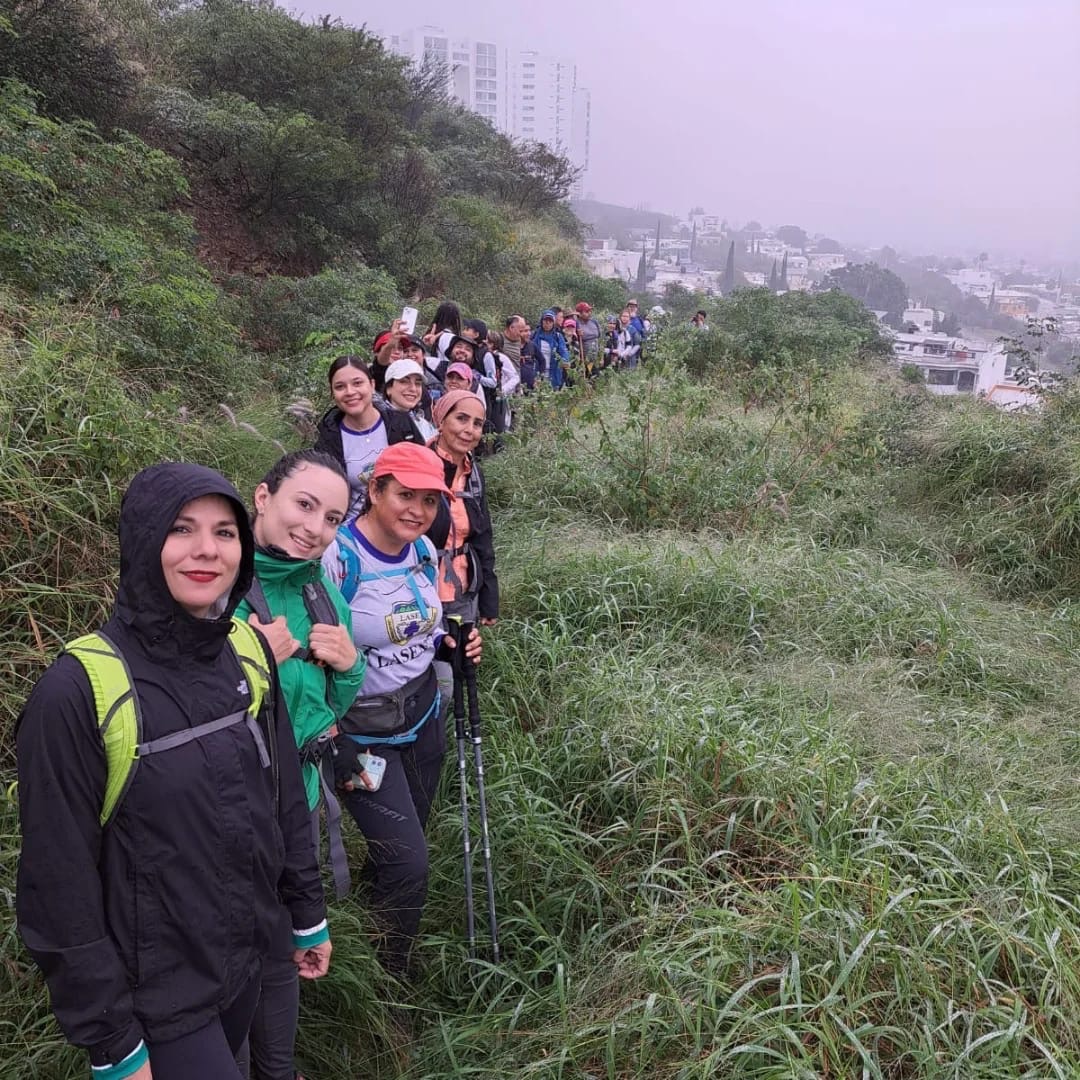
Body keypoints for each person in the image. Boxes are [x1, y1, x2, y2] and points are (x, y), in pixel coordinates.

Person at [16, 462, 330, 1080]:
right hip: (155, 996)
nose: (206, 551)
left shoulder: (246, 650)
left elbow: (281, 794)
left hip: (243, 957)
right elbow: (58, 881)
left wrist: (305, 913)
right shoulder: (79, 691)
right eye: (181, 530)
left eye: (224, 532)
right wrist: (111, 1041)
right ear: (141, 539)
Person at [321, 443, 483, 978]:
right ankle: (392, 972)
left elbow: (421, 623)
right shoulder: (337, 559)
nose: (418, 510)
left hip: (421, 717)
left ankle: (371, 916)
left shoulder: (419, 550)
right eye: (405, 496)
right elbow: (309, 655)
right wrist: (331, 735)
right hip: (362, 735)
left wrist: (448, 645)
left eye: (430, 501)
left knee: (402, 843)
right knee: (411, 862)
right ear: (374, 491)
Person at [234, 451, 367, 1080]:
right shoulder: (219, 583)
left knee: (285, 936)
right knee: (236, 948)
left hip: (303, 796)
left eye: (333, 517)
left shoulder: (318, 586)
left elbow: (328, 708)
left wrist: (349, 666)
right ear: (263, 498)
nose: (316, 527)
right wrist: (251, 662)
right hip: (233, 809)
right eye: (304, 505)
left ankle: (277, 1068)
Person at [315, 355, 425, 517]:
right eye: (340, 387)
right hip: (350, 532)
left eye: (358, 383)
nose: (350, 392)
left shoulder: (401, 425)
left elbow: (424, 473)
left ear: (372, 385)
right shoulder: (329, 438)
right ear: (333, 394)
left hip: (401, 523)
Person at [427, 390, 499, 626]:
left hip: (464, 590)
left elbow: (483, 537)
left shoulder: (473, 474)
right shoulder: (419, 467)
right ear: (441, 420)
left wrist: (489, 596)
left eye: (477, 424)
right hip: (422, 591)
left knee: (464, 660)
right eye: (461, 418)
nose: (469, 429)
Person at [383, 358, 437, 442]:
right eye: (404, 382)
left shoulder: (424, 425)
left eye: (418, 383)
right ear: (388, 389)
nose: (413, 389)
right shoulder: (377, 421)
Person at [531, 309, 569, 388]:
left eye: (550, 321)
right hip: (537, 372)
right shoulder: (534, 335)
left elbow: (563, 351)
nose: (547, 323)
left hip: (554, 372)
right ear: (542, 321)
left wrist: (565, 361)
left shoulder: (558, 337)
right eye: (545, 320)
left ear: (553, 323)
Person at [574, 302, 602, 375]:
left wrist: (601, 357)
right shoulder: (576, 323)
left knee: (595, 378)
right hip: (583, 359)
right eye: (586, 311)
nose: (589, 313)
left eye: (589, 311)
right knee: (586, 378)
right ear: (579, 313)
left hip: (595, 357)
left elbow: (600, 339)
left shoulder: (594, 322)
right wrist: (577, 333)